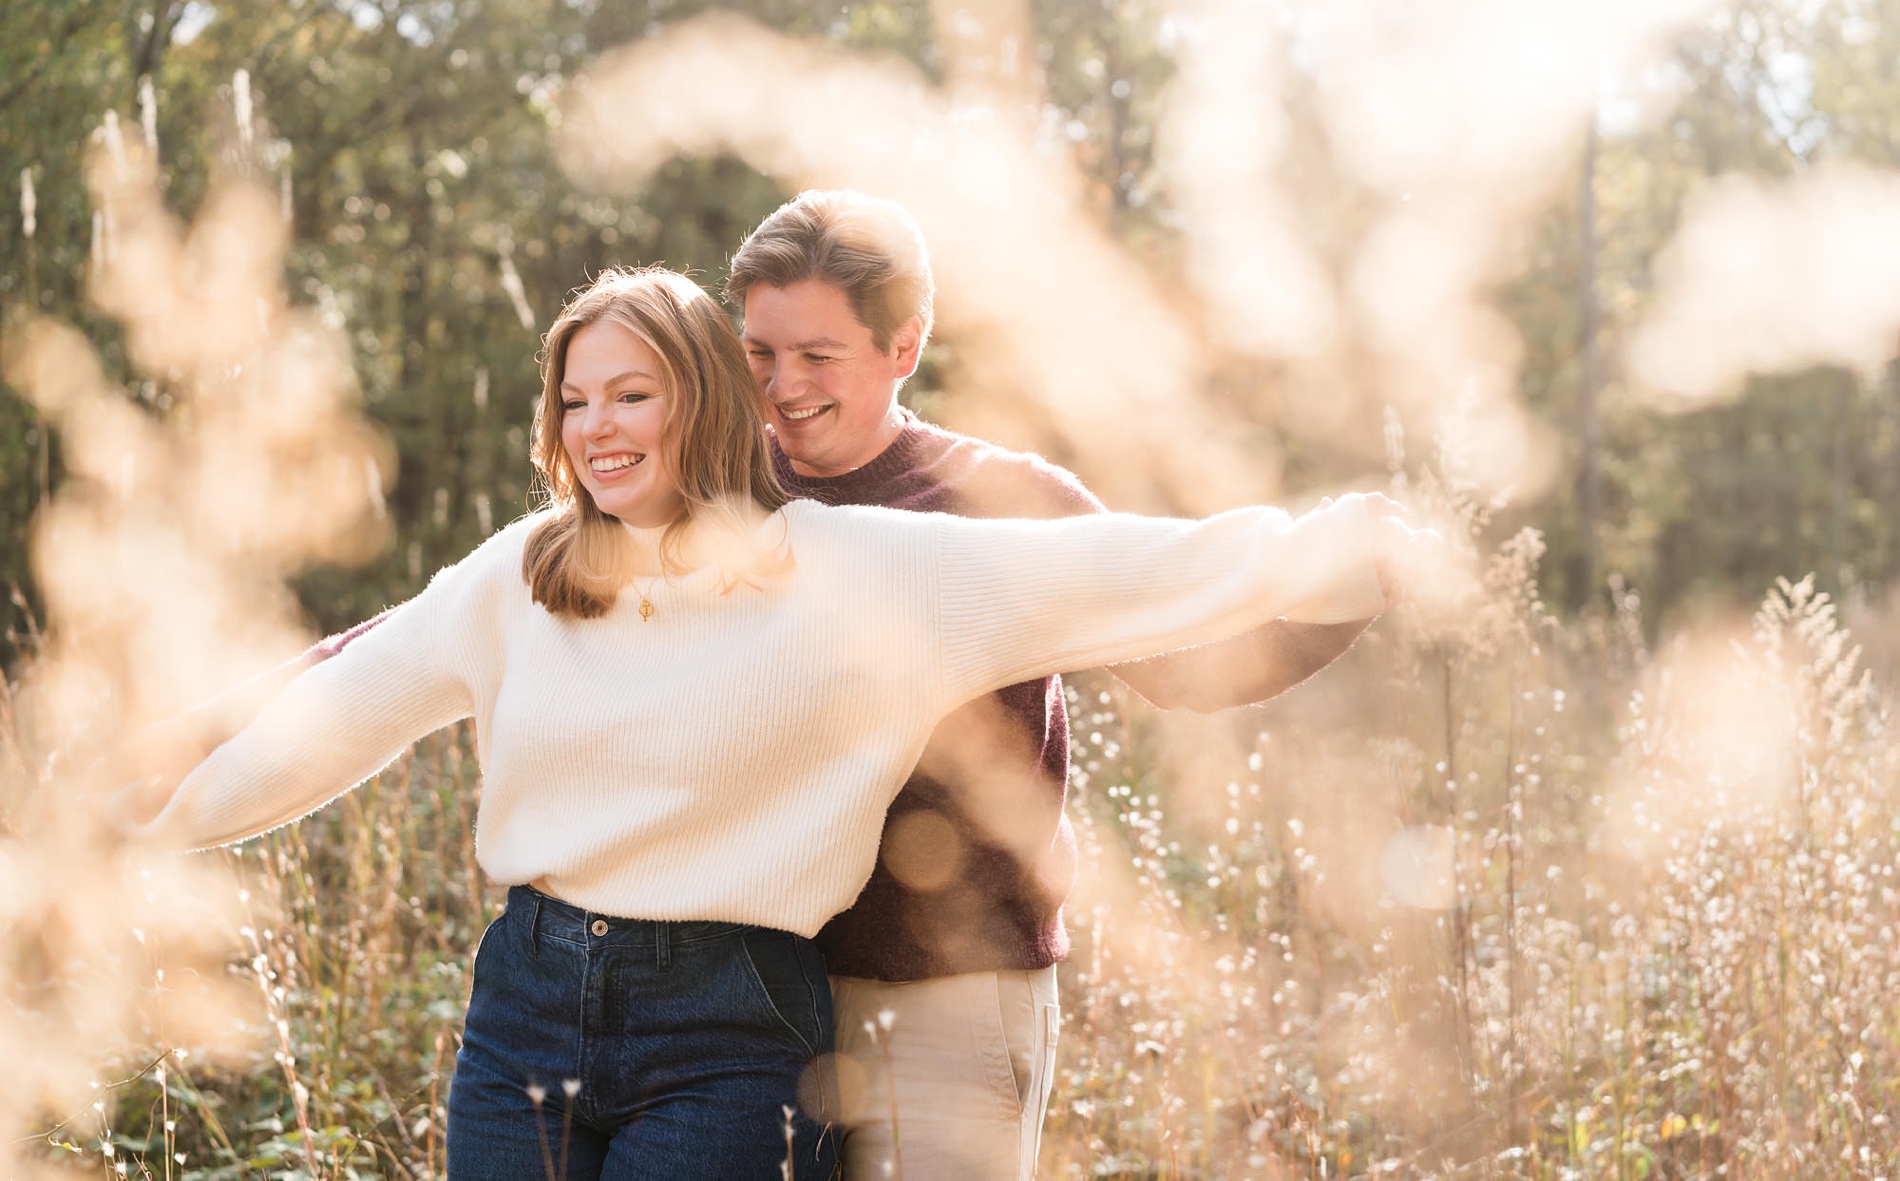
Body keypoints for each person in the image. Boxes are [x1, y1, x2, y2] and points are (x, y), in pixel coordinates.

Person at [119, 266, 1424, 1180]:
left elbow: (1138, 571)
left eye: (631, 392)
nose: (597, 428)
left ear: (704, 398)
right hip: (525, 998)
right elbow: (339, 713)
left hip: (731, 1023)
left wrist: (1335, 548)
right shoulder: (519, 571)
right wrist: (147, 826)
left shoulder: (868, 568)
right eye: (574, 401)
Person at [724, 190, 1379, 1180]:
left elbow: (1184, 664)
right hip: (750, 994)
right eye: (759, 354)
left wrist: (1350, 595)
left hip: (951, 998)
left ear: (903, 347)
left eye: (819, 357)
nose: (782, 387)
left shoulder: (1005, 503)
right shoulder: (720, 494)